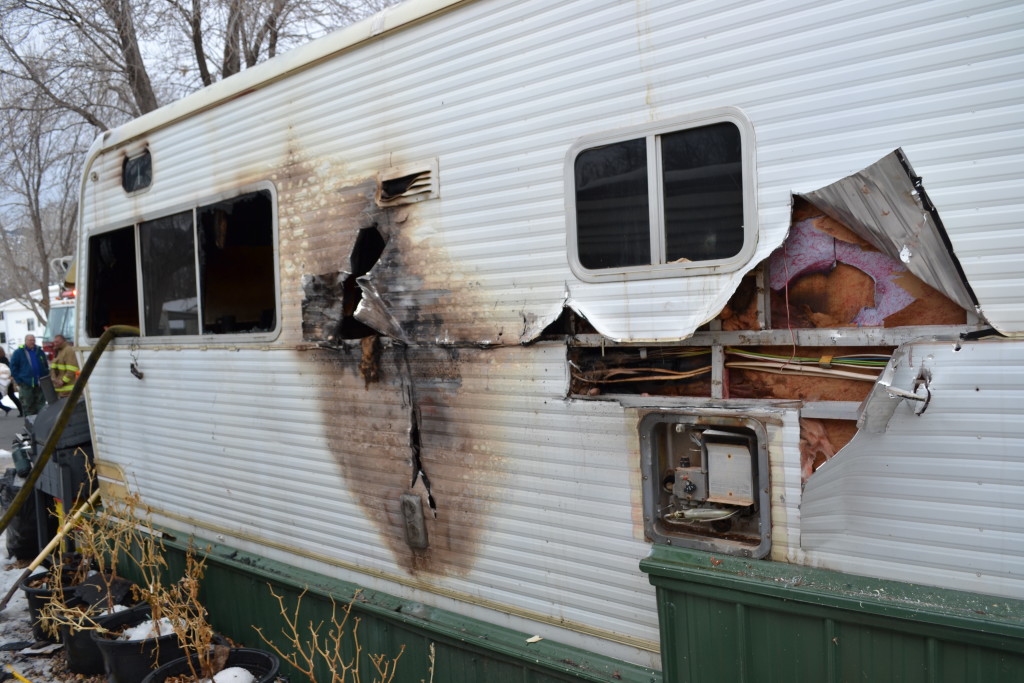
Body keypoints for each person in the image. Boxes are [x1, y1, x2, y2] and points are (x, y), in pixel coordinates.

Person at [10, 334, 49, 416]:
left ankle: (40, 422)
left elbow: (45, 365)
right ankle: (30, 423)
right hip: (26, 384)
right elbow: (13, 367)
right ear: (25, 341)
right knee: (28, 405)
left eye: (33, 340)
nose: (32, 342)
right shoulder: (18, 352)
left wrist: (45, 374)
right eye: (30, 340)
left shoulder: (39, 351)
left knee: (41, 405)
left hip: (39, 383)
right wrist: (19, 380)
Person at [0, 347, 17, 416]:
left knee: (12, 396)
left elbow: (8, 370)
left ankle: (21, 409)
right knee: (11, 396)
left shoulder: (4, 360)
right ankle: (6, 408)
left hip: (6, 381)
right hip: (2, 382)